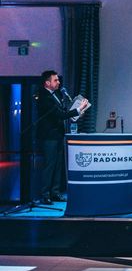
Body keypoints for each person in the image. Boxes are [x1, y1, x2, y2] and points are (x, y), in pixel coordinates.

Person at [37, 70, 88, 205]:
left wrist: (79, 111)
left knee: (58, 164)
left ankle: (55, 192)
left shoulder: (56, 95)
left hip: (58, 135)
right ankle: (45, 194)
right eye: (55, 80)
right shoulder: (44, 97)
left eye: (58, 80)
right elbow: (59, 115)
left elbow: (64, 112)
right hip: (49, 137)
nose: (59, 82)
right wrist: (78, 109)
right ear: (47, 83)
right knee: (49, 165)